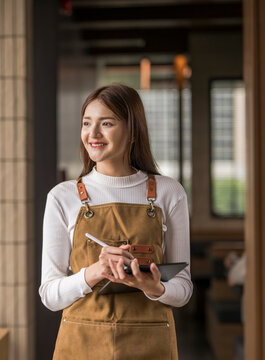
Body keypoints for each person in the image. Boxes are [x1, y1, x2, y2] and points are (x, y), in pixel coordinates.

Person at [39, 84, 193, 359]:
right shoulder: (63, 196)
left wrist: (153, 287)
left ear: (133, 132)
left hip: (150, 343)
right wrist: (96, 271)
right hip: (82, 343)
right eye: (87, 123)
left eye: (106, 123)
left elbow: (182, 290)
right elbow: (50, 295)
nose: (93, 134)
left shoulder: (170, 192)